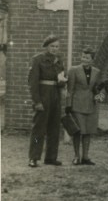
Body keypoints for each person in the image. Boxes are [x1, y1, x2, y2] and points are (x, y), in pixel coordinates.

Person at [28, 35, 67, 167]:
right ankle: (33, 157)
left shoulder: (59, 60)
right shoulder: (38, 59)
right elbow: (32, 83)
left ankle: (51, 157)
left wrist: (62, 82)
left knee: (54, 127)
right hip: (43, 95)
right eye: (52, 46)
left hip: (55, 95)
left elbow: (61, 78)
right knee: (39, 128)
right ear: (46, 46)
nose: (55, 49)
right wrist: (37, 101)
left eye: (57, 46)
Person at [65, 46, 102, 165]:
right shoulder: (73, 70)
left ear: (92, 59)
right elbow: (70, 89)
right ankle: (76, 156)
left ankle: (85, 156)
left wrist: (98, 94)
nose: (84, 59)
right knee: (78, 131)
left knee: (88, 131)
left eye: (87, 57)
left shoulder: (96, 72)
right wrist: (68, 105)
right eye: (83, 57)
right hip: (77, 105)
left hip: (91, 105)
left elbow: (96, 87)